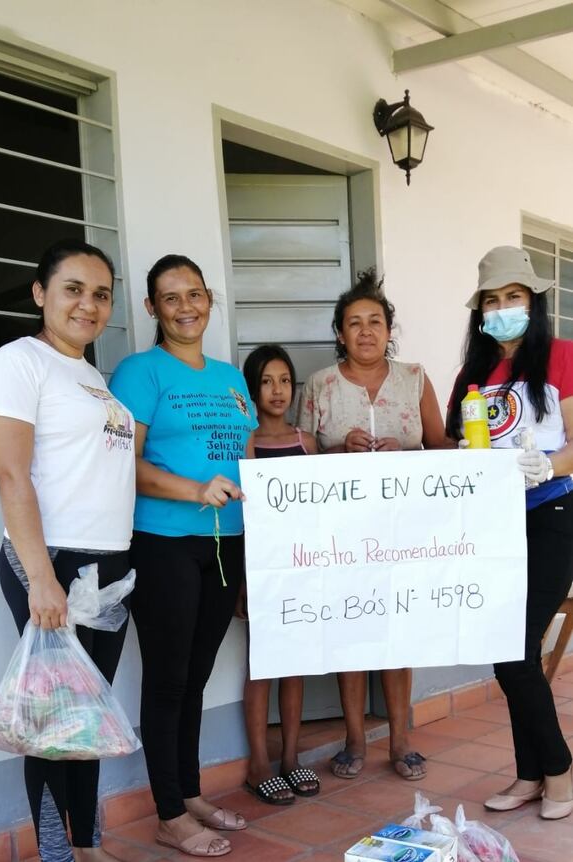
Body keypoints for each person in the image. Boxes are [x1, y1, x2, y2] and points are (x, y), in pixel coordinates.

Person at [0, 239, 135, 862]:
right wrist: (41, 578)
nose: (88, 305)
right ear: (40, 294)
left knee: (87, 719)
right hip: (52, 564)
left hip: (107, 565)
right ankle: (55, 853)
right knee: (50, 726)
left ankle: (88, 845)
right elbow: (11, 476)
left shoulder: (91, 375)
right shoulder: (19, 362)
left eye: (101, 294)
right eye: (73, 288)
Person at [109, 255, 257, 857]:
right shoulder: (139, 372)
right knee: (169, 679)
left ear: (209, 300)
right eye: (171, 298)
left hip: (226, 542)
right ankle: (169, 813)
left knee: (196, 675)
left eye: (195, 294)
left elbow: (244, 457)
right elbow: (123, 463)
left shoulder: (230, 377)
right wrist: (195, 490)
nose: (186, 306)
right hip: (163, 542)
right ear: (152, 308)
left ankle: (189, 792)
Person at [297, 268, 449, 781]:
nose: (365, 331)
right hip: (341, 535)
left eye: (375, 322)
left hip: (405, 530)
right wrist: (340, 449)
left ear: (389, 329)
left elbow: (439, 444)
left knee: (398, 629)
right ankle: (355, 740)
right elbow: (302, 458)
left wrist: (475, 451)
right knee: (351, 629)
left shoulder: (415, 378)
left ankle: (402, 740)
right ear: (339, 332)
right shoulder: (319, 385)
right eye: (354, 323)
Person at [447, 245, 573, 820]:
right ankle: (530, 775)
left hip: (552, 516)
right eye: (492, 301)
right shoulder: (472, 374)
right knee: (506, 651)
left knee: (517, 651)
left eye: (513, 297)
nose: (503, 309)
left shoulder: (564, 357)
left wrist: (550, 466)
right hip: (494, 524)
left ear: (534, 302)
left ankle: (559, 772)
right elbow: (453, 450)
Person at [236, 344, 319, 805]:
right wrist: (247, 579)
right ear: (253, 387)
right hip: (263, 569)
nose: (277, 390)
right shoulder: (247, 442)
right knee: (261, 665)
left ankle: (290, 757)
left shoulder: (306, 443)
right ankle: (259, 764)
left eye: (285, 380)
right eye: (266, 381)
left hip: (302, 569)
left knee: (295, 664)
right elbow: (247, 518)